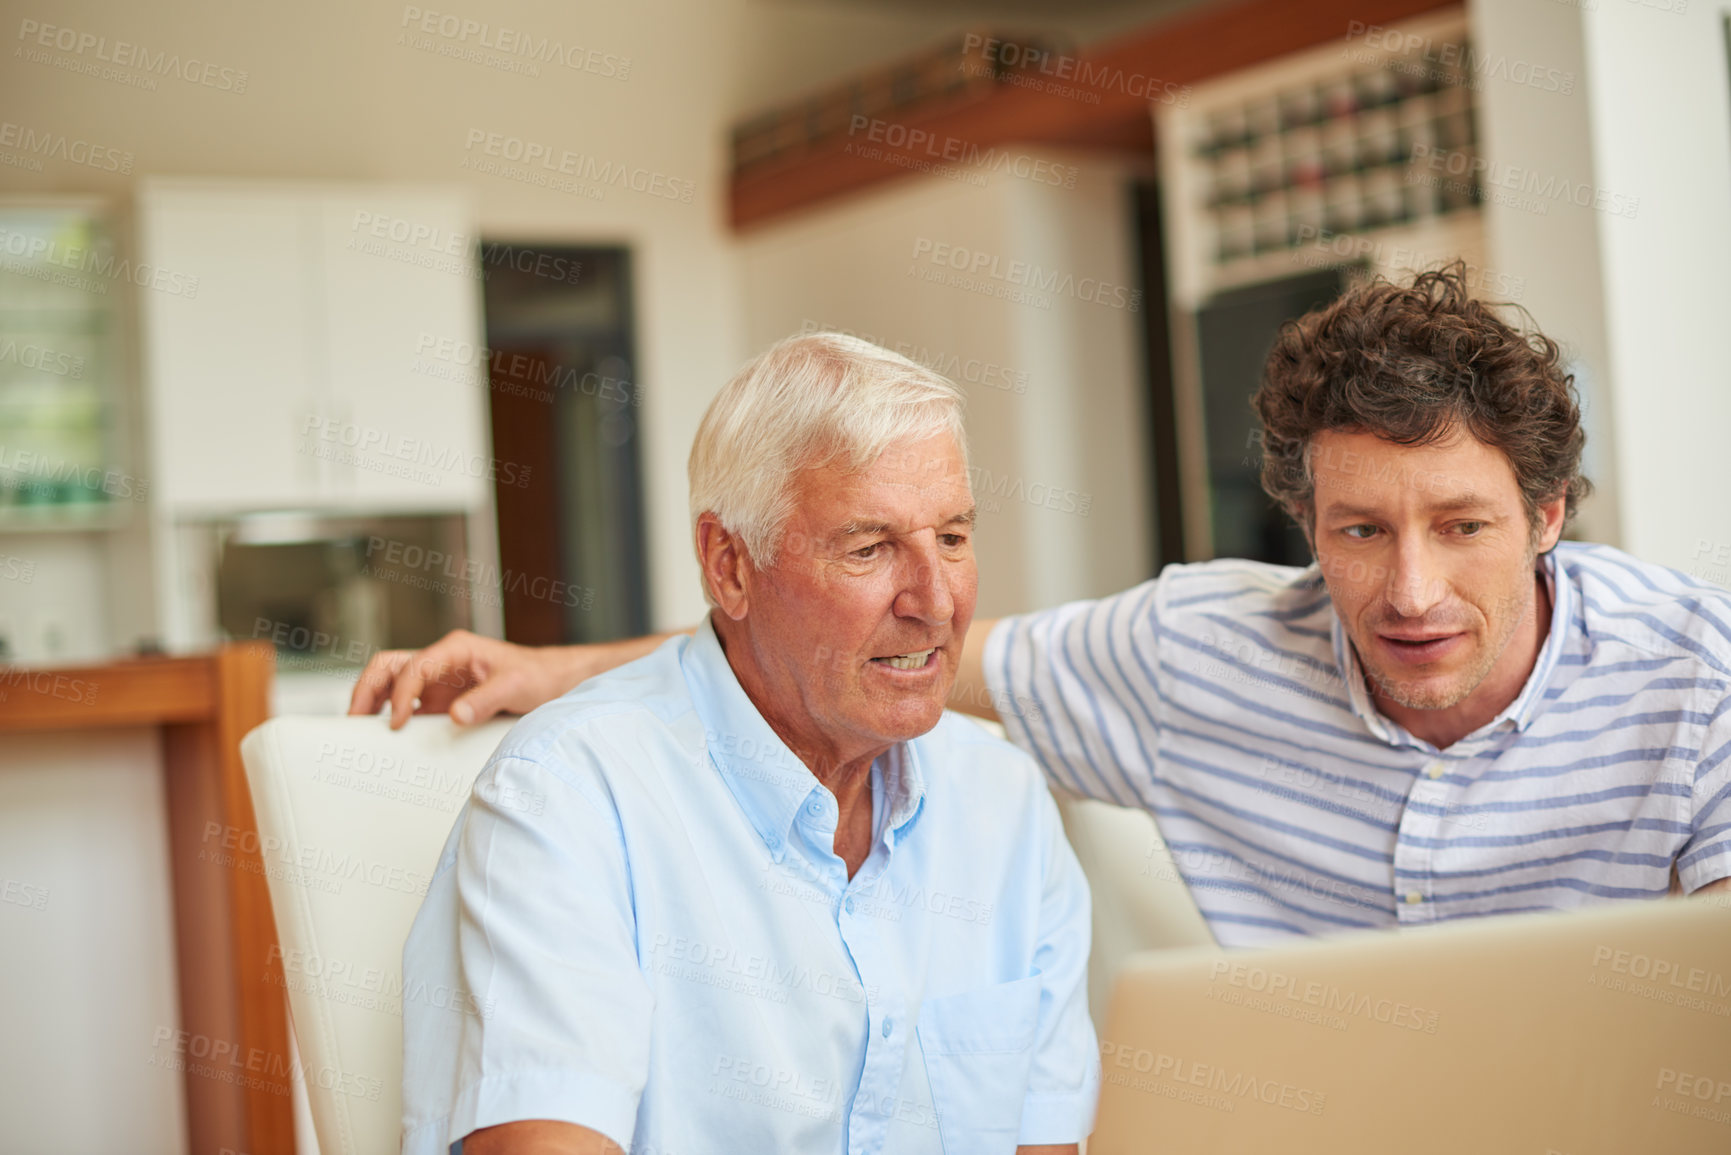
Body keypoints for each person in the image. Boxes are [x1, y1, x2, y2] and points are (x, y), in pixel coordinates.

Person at [362, 267, 1731, 952]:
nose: (1410, 589)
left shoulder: (1694, 676)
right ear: (1302, 524)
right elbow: (869, 647)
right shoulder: (1193, 653)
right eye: (1359, 530)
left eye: (1463, 526)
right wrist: (554, 663)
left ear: (1549, 515)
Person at [400, 334, 1098, 1155]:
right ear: (729, 564)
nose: (936, 601)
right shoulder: (565, 797)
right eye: (869, 547)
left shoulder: (1005, 800)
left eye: (951, 536)